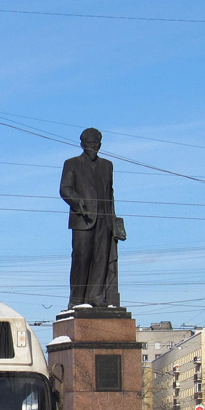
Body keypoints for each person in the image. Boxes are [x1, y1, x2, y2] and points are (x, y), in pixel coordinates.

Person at [59, 127, 123, 308]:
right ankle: (77, 299)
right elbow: (65, 189)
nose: (93, 146)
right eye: (90, 143)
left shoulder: (107, 165)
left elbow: (110, 194)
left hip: (104, 220)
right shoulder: (72, 164)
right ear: (82, 144)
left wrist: (114, 220)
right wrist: (78, 203)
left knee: (100, 259)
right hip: (83, 219)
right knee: (81, 259)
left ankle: (96, 296)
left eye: (96, 143)